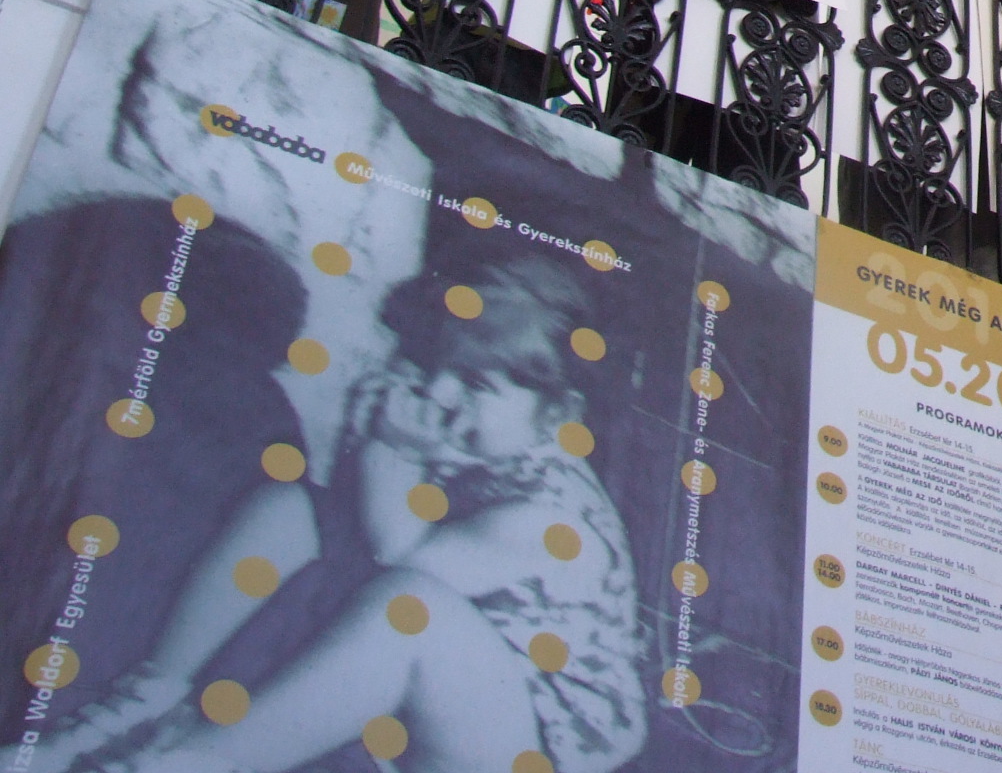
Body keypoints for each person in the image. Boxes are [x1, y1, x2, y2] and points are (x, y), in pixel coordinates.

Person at [31, 256, 644, 773]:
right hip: (454, 682)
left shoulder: (548, 524)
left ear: (559, 416)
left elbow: (400, 558)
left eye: (477, 385)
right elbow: (356, 517)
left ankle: (195, 762)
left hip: (527, 742)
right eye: (436, 367)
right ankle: (148, 694)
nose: (438, 393)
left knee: (412, 612)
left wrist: (393, 448)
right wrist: (374, 435)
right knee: (295, 506)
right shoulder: (487, 444)